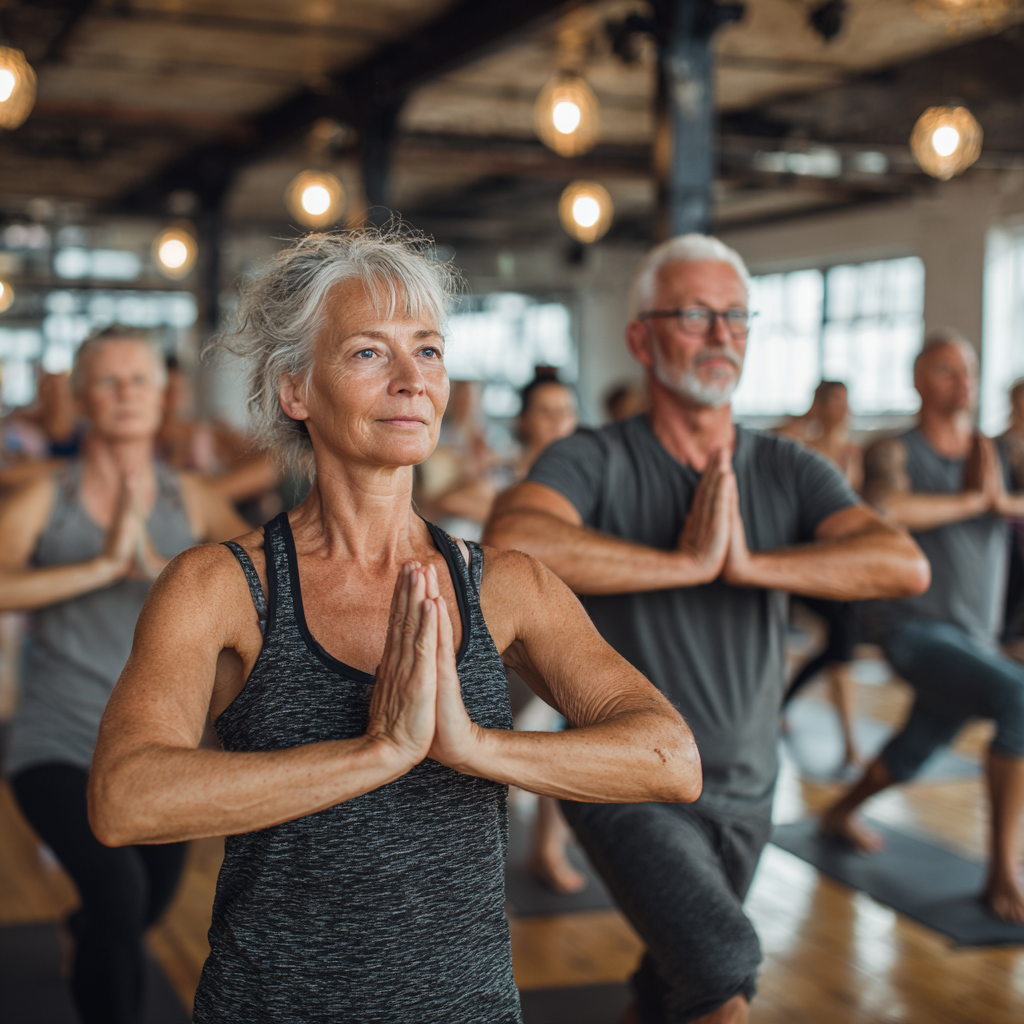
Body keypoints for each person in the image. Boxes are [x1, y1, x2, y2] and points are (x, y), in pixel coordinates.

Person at [87, 230, 702, 1024]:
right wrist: (376, 752)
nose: (414, 380)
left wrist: (472, 747)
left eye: (431, 351)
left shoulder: (504, 585)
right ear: (296, 390)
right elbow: (123, 797)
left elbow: (671, 757)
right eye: (370, 354)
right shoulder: (223, 587)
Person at [485, 233, 929, 1024]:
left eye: (735, 316)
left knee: (672, 982)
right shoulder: (596, 457)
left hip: (747, 784)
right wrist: (682, 562)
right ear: (641, 338)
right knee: (722, 969)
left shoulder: (788, 470)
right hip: (625, 777)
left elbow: (900, 564)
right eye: (694, 315)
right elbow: (514, 542)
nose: (721, 334)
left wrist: (749, 563)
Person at [0, 324, 247, 1024]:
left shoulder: (191, 502)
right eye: (107, 381)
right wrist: (100, 568)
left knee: (143, 907)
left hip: (162, 747)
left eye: (138, 379)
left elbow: (261, 578)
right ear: (81, 397)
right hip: (56, 741)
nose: (125, 393)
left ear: (162, 394)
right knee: (117, 894)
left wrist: (174, 574)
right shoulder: (47, 498)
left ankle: (86, 934)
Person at [822, 333, 1024, 924]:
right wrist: (977, 502)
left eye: (969, 372)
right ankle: (1002, 872)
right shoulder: (896, 449)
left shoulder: (998, 453)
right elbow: (885, 509)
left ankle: (838, 813)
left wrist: (997, 501)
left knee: (917, 745)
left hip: (973, 634)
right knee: (1018, 698)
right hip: (912, 631)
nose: (962, 383)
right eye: (946, 371)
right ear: (918, 380)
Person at [777, 381, 864, 769]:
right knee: (841, 641)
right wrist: (802, 419)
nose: (841, 409)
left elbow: (850, 511)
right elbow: (766, 439)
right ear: (819, 404)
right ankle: (849, 741)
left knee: (839, 644)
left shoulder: (851, 452)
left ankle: (845, 737)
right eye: (833, 401)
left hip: (835, 565)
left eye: (845, 402)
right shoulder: (799, 445)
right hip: (798, 560)